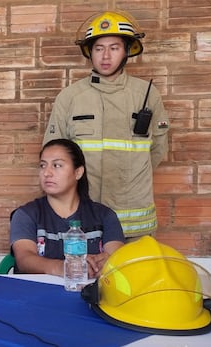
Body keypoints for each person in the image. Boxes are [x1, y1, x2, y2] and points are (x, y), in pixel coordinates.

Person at [43, 10, 169, 239]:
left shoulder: (147, 95)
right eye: (99, 48)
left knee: (134, 274)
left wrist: (131, 172)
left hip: (134, 217)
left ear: (127, 51)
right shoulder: (70, 97)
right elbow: (54, 154)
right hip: (83, 215)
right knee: (82, 271)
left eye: (114, 47)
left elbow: (158, 149)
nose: (105, 56)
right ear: (90, 52)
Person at [10, 139, 124, 278]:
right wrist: (62, 267)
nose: (47, 173)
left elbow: (117, 257)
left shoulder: (105, 215)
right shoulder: (26, 214)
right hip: (38, 296)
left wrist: (104, 264)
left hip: (92, 296)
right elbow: (24, 259)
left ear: (78, 172)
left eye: (57, 165)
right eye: (42, 165)